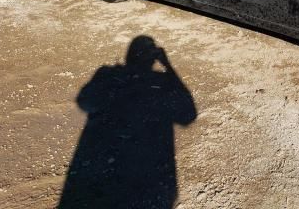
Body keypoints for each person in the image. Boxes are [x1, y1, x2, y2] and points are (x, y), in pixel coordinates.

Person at [58, 36, 196, 208]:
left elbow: (85, 101)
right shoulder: (160, 81)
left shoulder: (110, 75)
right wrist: (168, 66)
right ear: (155, 57)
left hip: (109, 171)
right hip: (145, 176)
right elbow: (188, 114)